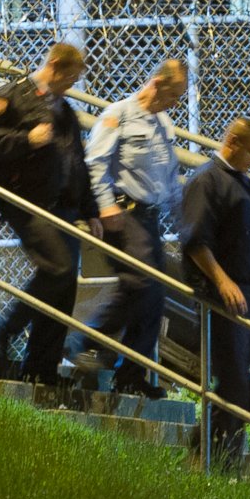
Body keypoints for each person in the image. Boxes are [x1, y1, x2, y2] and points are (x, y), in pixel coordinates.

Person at [175, 116, 250, 468]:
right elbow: (195, 241)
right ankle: (220, 458)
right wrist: (223, 281)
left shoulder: (249, 187)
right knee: (234, 381)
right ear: (232, 143)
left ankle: (211, 430)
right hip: (227, 297)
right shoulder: (206, 181)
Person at [67, 58, 188, 393]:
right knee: (140, 281)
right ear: (158, 84)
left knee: (153, 295)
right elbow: (95, 163)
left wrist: (183, 218)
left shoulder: (163, 123)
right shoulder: (118, 114)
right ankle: (86, 341)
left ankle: (132, 376)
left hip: (149, 218)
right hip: (123, 212)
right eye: (175, 94)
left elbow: (170, 176)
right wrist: (104, 206)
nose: (176, 102)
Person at [0, 41, 96, 386]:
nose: (72, 84)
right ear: (56, 65)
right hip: (27, 203)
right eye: (71, 77)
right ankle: (6, 328)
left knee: (63, 289)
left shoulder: (65, 111)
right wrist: (26, 140)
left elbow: (78, 162)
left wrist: (91, 210)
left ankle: (41, 369)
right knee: (58, 269)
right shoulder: (15, 96)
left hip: (64, 207)